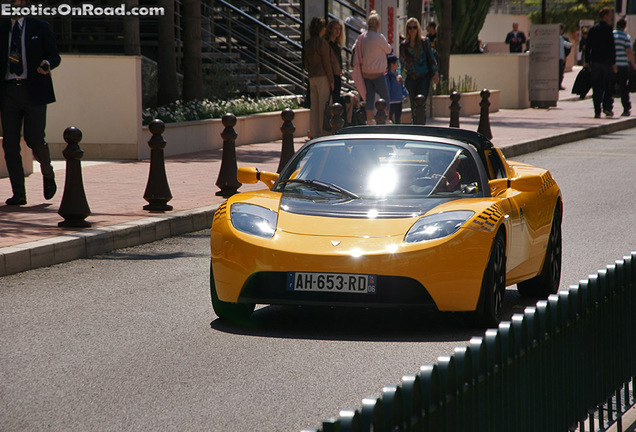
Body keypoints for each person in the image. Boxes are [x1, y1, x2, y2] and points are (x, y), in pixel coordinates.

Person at [1, 0, 61, 206]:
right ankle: (19, 193)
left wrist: (47, 64)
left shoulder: (39, 26)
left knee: (34, 139)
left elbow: (55, 56)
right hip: (8, 92)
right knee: (10, 144)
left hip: (34, 91)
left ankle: (47, 172)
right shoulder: (2, 28)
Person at [399, 17, 439, 124]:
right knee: (413, 104)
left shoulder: (424, 42)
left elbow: (431, 59)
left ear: (418, 29)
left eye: (414, 27)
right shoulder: (404, 45)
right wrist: (398, 75)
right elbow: (401, 62)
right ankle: (415, 126)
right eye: (410, 27)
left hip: (423, 78)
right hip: (411, 78)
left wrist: (435, 73)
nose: (412, 30)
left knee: (421, 102)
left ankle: (421, 125)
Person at [304, 17, 335, 138]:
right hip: (322, 77)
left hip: (312, 76)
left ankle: (314, 132)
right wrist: (331, 80)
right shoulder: (322, 43)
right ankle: (323, 133)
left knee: (314, 106)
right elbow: (327, 63)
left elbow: (306, 63)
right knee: (323, 105)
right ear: (321, 29)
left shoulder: (308, 43)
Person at [359, 10, 392, 124]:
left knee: (370, 97)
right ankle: (386, 119)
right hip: (378, 73)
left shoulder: (364, 37)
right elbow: (388, 50)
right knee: (385, 96)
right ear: (377, 24)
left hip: (366, 73)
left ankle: (369, 119)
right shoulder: (379, 37)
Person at [585, 7, 617, 118]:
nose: (611, 17)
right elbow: (612, 47)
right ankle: (607, 107)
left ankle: (597, 111)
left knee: (596, 87)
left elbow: (587, 46)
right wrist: (614, 63)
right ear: (605, 16)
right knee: (607, 86)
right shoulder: (608, 29)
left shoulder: (593, 29)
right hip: (606, 62)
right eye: (609, 15)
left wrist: (586, 60)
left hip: (595, 61)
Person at [613, 18, 636, 116]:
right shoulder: (625, 36)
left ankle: (608, 107)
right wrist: (633, 64)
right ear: (624, 27)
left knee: (610, 86)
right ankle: (626, 108)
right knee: (623, 87)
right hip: (623, 65)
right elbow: (628, 52)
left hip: (612, 64)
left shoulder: (612, 35)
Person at [326, 19, 345, 106]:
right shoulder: (327, 44)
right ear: (330, 29)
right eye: (336, 29)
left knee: (336, 98)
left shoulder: (337, 45)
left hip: (337, 74)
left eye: (339, 29)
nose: (338, 31)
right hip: (331, 74)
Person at [385, 55, 408, 124]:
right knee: (390, 117)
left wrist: (406, 93)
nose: (397, 65)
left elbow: (401, 86)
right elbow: (388, 88)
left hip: (399, 100)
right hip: (391, 101)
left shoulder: (398, 75)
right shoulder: (387, 76)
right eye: (396, 63)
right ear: (392, 64)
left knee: (398, 117)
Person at [559, 24, 572, 91]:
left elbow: (567, 46)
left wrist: (565, 56)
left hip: (562, 58)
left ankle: (559, 84)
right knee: (559, 72)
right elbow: (566, 44)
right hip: (559, 58)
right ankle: (558, 85)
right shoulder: (559, 38)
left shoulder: (562, 38)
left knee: (561, 71)